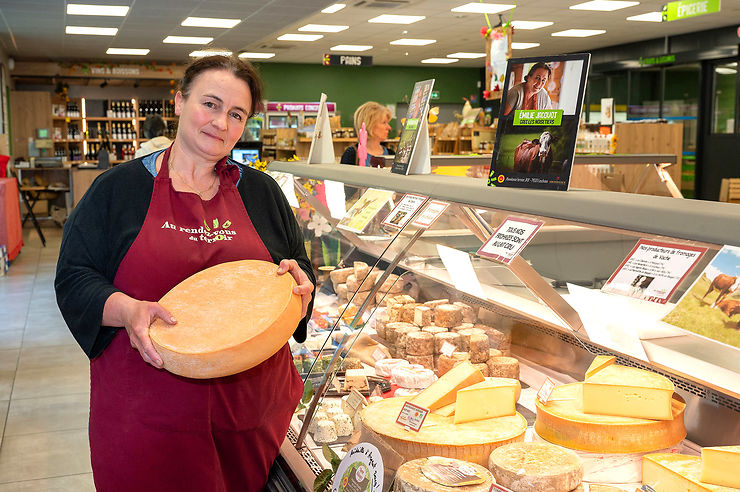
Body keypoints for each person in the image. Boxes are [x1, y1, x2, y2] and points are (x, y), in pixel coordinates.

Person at [55, 55, 315, 492]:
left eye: (236, 114)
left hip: (251, 414)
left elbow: (297, 265)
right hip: (148, 415)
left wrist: (300, 281)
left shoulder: (261, 191)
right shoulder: (117, 190)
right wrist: (126, 309)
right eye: (209, 104)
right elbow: (75, 278)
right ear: (178, 102)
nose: (220, 123)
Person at [340, 101, 395, 166]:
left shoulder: (391, 154)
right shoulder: (352, 154)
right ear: (369, 124)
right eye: (384, 123)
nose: (389, 128)